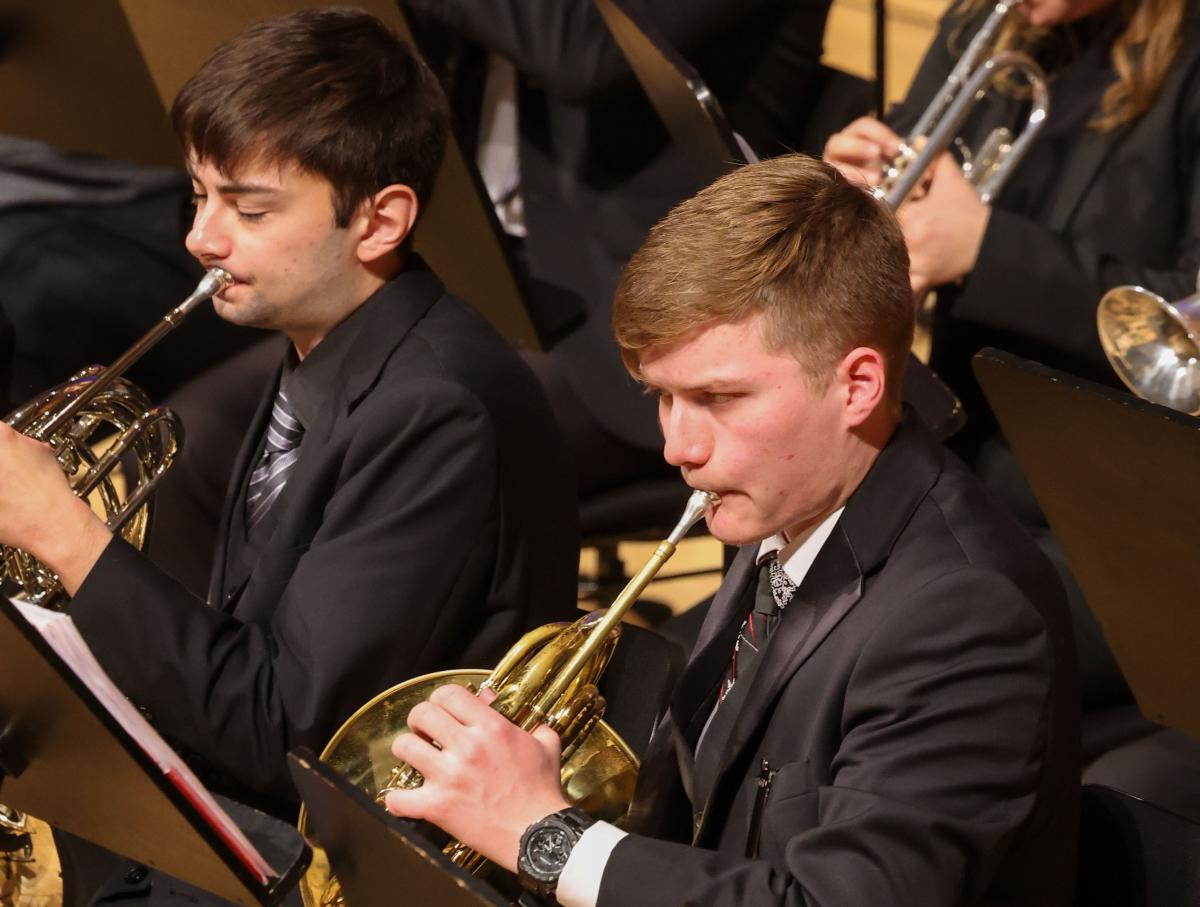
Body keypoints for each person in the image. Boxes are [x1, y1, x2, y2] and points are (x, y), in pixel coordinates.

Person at [382, 155, 1081, 906]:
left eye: (718, 397)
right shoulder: (788, 499)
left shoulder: (965, 613)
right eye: (663, 397)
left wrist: (547, 835)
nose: (678, 447)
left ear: (859, 386)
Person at [0, 7, 578, 817]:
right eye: (200, 196)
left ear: (380, 221)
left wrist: (62, 530)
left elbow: (284, 741)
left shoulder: (437, 411)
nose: (202, 236)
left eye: (250, 210)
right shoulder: (324, 341)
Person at [824, 0, 1200, 819]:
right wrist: (853, 210)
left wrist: (990, 250)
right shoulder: (986, 28)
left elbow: (1190, 322)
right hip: (967, 467)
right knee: (795, 613)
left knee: (890, 644)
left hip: (1130, 523)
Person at [401, 0, 837, 497]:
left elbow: (579, 45)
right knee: (331, 380)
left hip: (651, 339)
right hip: (491, 263)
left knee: (418, 433)